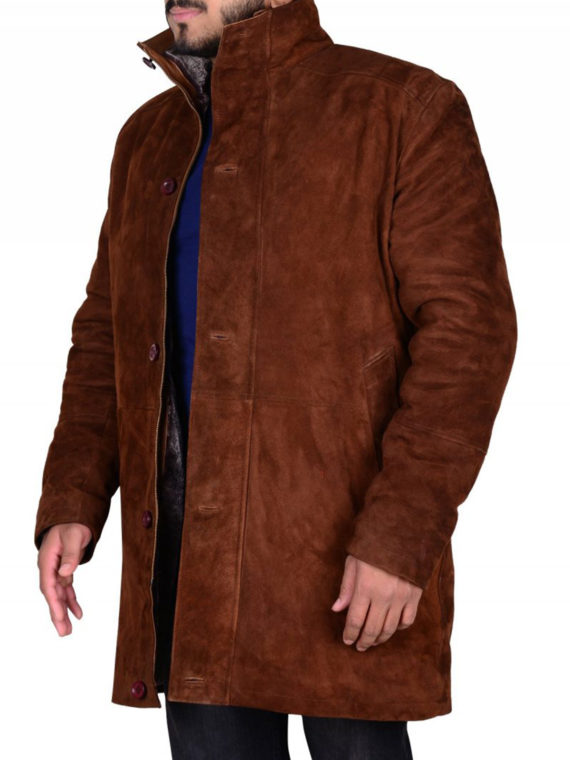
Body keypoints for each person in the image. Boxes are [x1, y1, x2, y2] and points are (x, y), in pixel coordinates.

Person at [34, 0, 517, 758]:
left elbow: (469, 338)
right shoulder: (150, 137)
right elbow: (107, 335)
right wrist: (74, 497)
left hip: (345, 561)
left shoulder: (399, 106)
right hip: (190, 567)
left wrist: (401, 536)